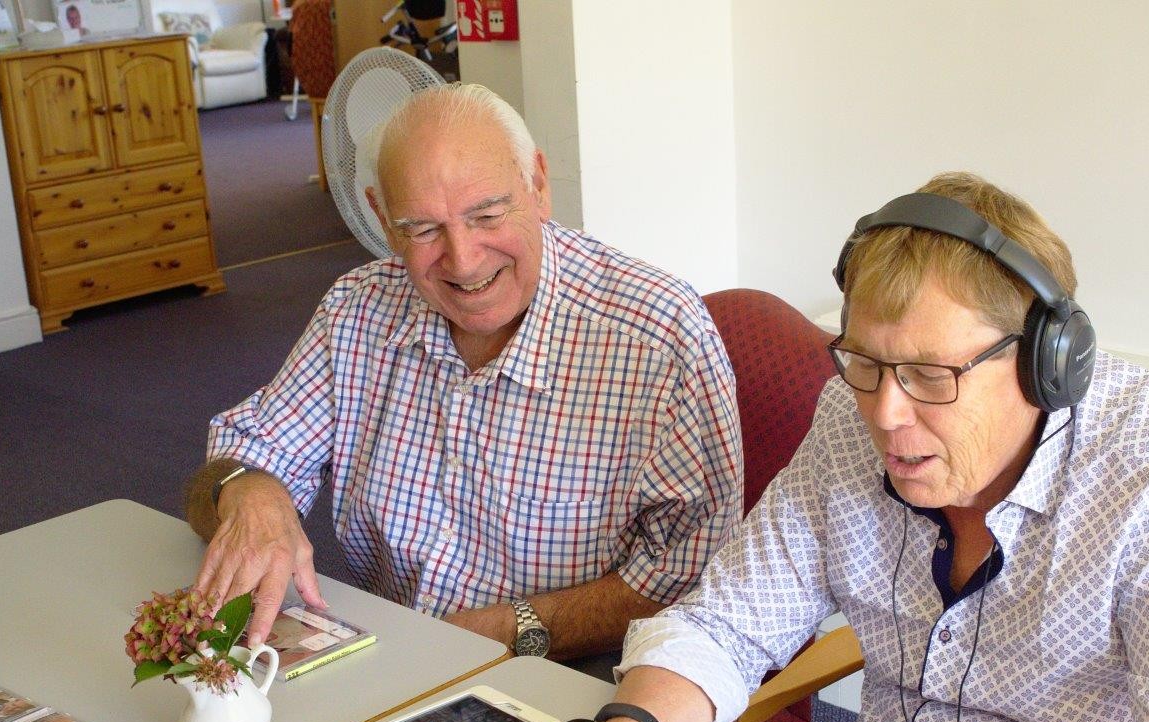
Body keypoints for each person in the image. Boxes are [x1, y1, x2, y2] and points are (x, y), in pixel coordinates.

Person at [530, 172, 1149, 722]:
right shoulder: (849, 417)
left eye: (932, 376)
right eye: (864, 362)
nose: (886, 416)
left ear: (1045, 364)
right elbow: (725, 624)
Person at [184, 84, 742, 663]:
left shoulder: (657, 338)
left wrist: (509, 628)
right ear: (382, 218)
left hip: (581, 678)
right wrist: (245, 490)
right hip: (397, 661)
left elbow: (696, 582)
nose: (464, 260)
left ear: (539, 186)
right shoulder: (356, 309)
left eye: (487, 215)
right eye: (422, 229)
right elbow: (241, 456)